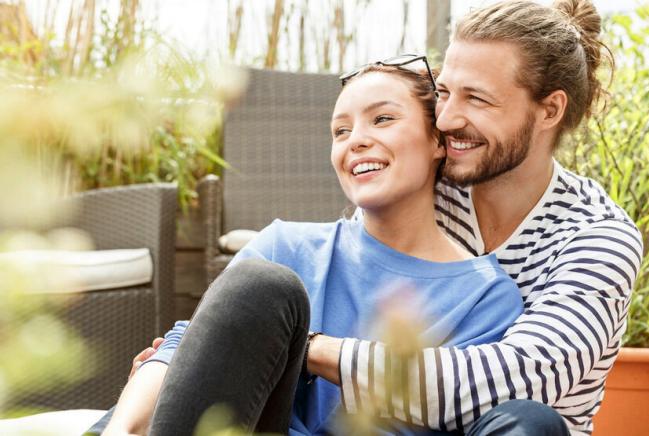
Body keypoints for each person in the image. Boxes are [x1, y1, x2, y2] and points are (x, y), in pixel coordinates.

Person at [133, 0, 643, 434]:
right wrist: (208, 354)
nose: (445, 119)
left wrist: (300, 346)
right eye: (444, 92)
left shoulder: (598, 237)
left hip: (499, 422)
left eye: (477, 99)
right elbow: (340, 276)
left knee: (529, 420)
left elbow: (515, 378)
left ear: (549, 110)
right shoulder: (436, 185)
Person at [95, 56, 546, 435]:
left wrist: (306, 349)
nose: (357, 141)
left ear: (437, 141)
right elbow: (182, 347)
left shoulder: (486, 300)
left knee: (533, 422)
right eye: (340, 131)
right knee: (260, 286)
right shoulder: (285, 246)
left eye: (383, 119)